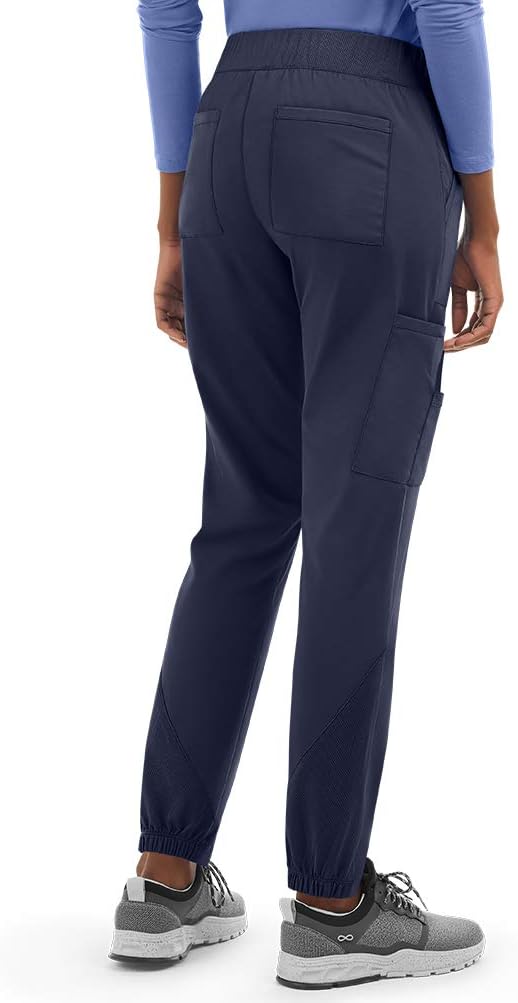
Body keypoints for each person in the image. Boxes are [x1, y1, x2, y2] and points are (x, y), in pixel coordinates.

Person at [109, 0, 503, 988]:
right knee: (352, 526)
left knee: (241, 518)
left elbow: (165, 13)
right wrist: (486, 220)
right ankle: (332, 905)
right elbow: (445, 8)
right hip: (369, 136)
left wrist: (172, 219)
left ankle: (164, 876)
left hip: (225, 139)